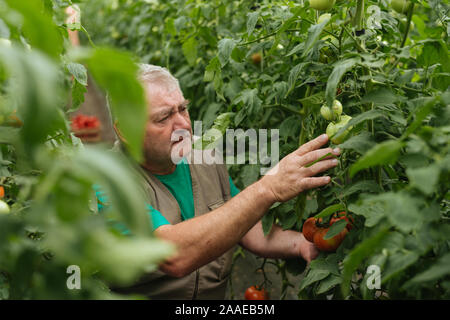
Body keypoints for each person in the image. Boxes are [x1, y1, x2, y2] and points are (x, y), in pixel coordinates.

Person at [105, 64, 342, 300]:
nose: (184, 125)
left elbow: (243, 224)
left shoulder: (202, 153)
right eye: (163, 117)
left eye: (183, 109)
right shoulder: (109, 183)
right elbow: (174, 255)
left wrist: (300, 244)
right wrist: (268, 187)